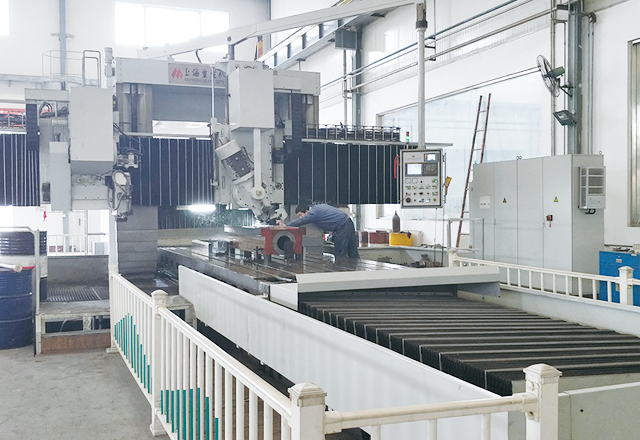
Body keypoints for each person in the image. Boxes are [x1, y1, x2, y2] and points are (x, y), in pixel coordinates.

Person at [280, 204, 359, 258]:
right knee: (352, 250)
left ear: (306, 212)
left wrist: (287, 225)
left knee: (340, 252)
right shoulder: (317, 208)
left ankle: (340, 271)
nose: (301, 217)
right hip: (348, 222)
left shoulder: (313, 213)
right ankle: (357, 270)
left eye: (300, 215)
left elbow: (302, 221)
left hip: (342, 226)